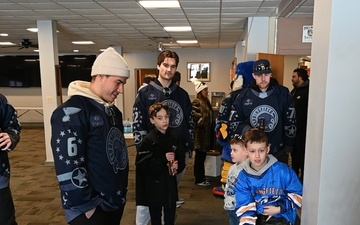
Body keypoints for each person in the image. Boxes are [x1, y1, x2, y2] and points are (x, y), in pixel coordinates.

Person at [50, 47, 130, 225]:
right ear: (100, 76)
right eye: (118, 82)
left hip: (113, 201)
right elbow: (68, 165)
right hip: (89, 209)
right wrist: (87, 206)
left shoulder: (112, 111)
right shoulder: (71, 113)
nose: (121, 90)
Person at [133, 50, 194, 224]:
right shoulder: (145, 94)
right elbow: (138, 126)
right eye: (166, 65)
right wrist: (145, 153)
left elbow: (190, 123)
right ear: (158, 66)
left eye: (173, 66)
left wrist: (189, 149)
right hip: (152, 157)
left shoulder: (182, 95)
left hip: (177, 155)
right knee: (148, 202)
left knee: (169, 197)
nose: (169, 69)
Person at [229, 59, 296, 164]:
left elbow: (290, 121)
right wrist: (248, 130)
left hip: (278, 151)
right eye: (259, 75)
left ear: (271, 74)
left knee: (277, 179)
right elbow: (233, 122)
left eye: (266, 74)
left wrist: (289, 145)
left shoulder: (283, 93)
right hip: (252, 153)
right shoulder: (242, 96)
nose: (263, 78)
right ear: (253, 75)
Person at [235, 129, 302, 225]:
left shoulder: (283, 171)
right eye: (252, 151)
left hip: (284, 218)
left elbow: (298, 194)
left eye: (261, 150)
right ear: (246, 151)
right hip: (258, 219)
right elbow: (245, 207)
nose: (257, 156)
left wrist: (280, 209)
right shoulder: (243, 178)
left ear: (268, 149)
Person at [136, 103, 185, 225]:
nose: (165, 121)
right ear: (152, 120)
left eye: (167, 117)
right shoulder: (148, 140)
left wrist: (178, 165)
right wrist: (162, 159)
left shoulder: (174, 137)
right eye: (160, 118)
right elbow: (142, 165)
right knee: (156, 218)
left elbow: (181, 157)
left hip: (170, 185)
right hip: (154, 187)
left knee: (170, 216)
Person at [213, 61, 255, 197]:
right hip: (239, 138)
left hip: (239, 139)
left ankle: (228, 185)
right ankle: (229, 185)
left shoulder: (233, 96)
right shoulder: (240, 96)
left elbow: (221, 118)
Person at [0, 93, 21, 225]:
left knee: (5, 220)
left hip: (0, 178)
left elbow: (13, 126)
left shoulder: (1, 101)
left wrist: (10, 136)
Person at [191, 78, 215, 186]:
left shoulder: (206, 102)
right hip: (200, 135)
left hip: (206, 135)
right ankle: (199, 179)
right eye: (205, 90)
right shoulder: (197, 102)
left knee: (202, 157)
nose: (207, 92)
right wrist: (201, 120)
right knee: (199, 158)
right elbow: (193, 115)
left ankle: (201, 177)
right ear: (200, 91)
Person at [223, 134, 248, 225]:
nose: (231, 153)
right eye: (231, 150)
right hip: (230, 207)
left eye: (235, 150)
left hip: (242, 210)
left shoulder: (247, 171)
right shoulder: (232, 168)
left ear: (245, 151)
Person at [291, 68, 309, 181]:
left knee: (302, 157)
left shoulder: (308, 91)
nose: (292, 79)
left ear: (300, 78)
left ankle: (303, 181)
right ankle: (294, 179)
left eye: (294, 76)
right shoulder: (294, 91)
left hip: (303, 131)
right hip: (294, 131)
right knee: (294, 157)